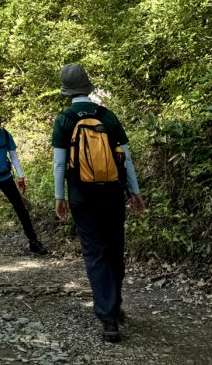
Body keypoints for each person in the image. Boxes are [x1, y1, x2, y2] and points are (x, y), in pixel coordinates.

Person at [52, 64, 146, 343]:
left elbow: (59, 163)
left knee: (95, 252)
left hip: (82, 195)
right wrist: (135, 191)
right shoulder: (108, 116)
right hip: (112, 194)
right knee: (115, 247)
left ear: (67, 90)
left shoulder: (65, 119)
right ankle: (113, 306)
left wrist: (60, 196)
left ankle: (108, 318)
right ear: (88, 86)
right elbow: (125, 158)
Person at [0, 106, 48, 256]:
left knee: (21, 210)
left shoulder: (6, 135)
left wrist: (21, 176)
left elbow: (13, 156)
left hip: (6, 177)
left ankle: (34, 242)